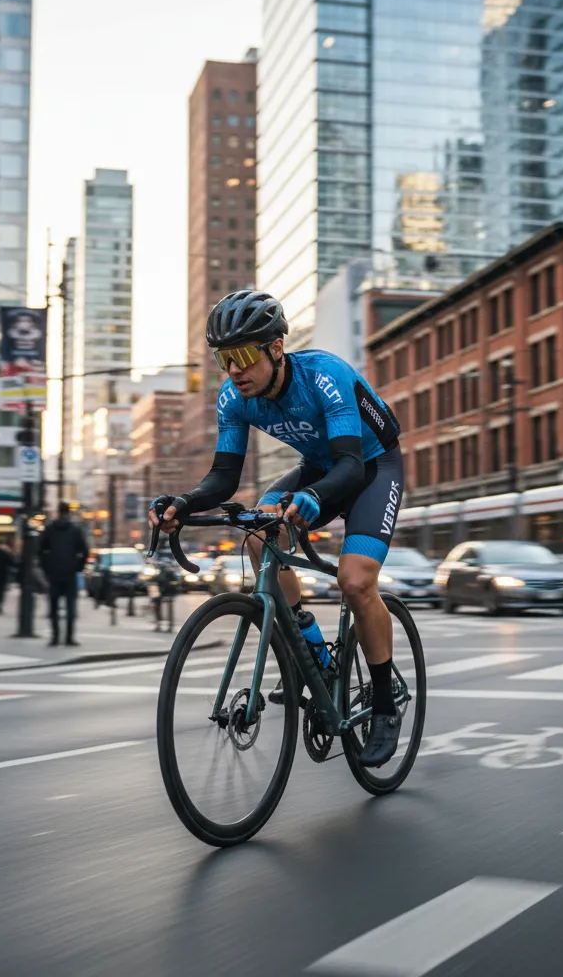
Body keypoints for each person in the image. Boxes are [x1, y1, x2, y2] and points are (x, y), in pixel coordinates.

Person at [149, 289, 405, 768]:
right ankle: (311, 650)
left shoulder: (325, 376)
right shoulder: (234, 398)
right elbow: (223, 477)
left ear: (277, 348)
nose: (234, 370)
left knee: (354, 581)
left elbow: (351, 466)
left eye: (244, 356)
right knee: (260, 529)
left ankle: (385, 707)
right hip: (320, 468)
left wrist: (315, 497)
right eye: (224, 359)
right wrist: (184, 503)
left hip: (371, 467)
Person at [39, 502, 89, 646]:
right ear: (69, 512)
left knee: (53, 607)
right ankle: (69, 638)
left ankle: (55, 637)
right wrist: (78, 567)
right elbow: (84, 551)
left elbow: (40, 551)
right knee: (70, 607)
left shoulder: (49, 529)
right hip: (70, 573)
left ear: (58, 511)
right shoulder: (75, 530)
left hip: (53, 573)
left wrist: (47, 568)